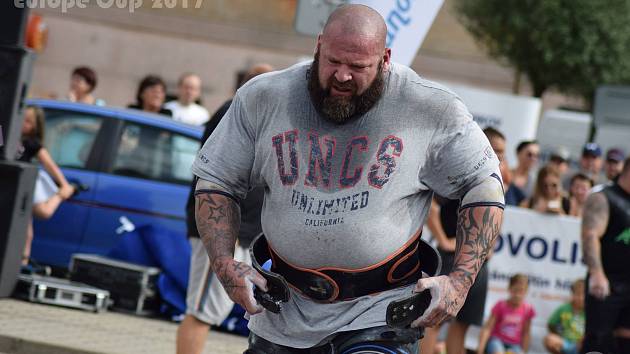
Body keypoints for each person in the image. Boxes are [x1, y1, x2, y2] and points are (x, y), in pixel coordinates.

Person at [191, 5, 505, 353]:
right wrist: (223, 263)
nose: (342, 76)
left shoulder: (429, 107)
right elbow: (216, 182)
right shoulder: (264, 97)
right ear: (319, 46)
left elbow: (484, 185)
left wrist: (460, 281)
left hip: (379, 314)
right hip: (284, 312)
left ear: (385, 59)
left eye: (358, 67)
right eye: (333, 62)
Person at [176, 64, 273, 354]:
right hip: (222, 232)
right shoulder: (233, 112)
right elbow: (216, 175)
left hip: (247, 234)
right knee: (202, 311)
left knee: (219, 311)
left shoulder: (253, 115)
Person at [421, 127, 507, 354]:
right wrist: (444, 240)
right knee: (436, 319)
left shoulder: (497, 178)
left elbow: (494, 219)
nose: (499, 156)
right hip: (453, 257)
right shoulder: (462, 173)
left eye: (503, 152)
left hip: (479, 264)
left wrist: (488, 245)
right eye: (495, 149)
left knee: (462, 325)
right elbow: (431, 207)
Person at [580, 156, 630, 354]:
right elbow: (590, 235)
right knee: (598, 342)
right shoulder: (604, 196)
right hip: (607, 283)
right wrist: (597, 274)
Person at [15, 105, 75, 265]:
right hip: (10, 185)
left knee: (28, 229)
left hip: (22, 188)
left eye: (28, 121)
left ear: (35, 126)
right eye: (22, 119)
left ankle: (23, 264)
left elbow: (50, 165)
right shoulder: (7, 134)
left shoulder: (32, 144)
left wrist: (64, 185)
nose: (23, 124)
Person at [477, 274, 535, 354]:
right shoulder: (500, 305)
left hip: (515, 344)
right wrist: (481, 347)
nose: (518, 295)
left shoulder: (528, 309)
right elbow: (488, 327)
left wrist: (524, 351)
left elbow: (526, 333)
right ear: (509, 288)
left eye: (521, 291)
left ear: (526, 291)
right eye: (515, 290)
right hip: (497, 340)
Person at [543, 279, 585, 354]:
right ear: (572, 294)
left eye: (584, 295)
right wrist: (559, 335)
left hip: (582, 344)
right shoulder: (564, 308)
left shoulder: (590, 312)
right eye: (578, 294)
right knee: (549, 339)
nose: (581, 298)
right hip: (565, 342)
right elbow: (551, 324)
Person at [505, 140, 540, 206]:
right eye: (529, 154)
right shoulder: (505, 175)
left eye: (537, 156)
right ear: (518, 153)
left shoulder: (535, 183)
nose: (533, 158)